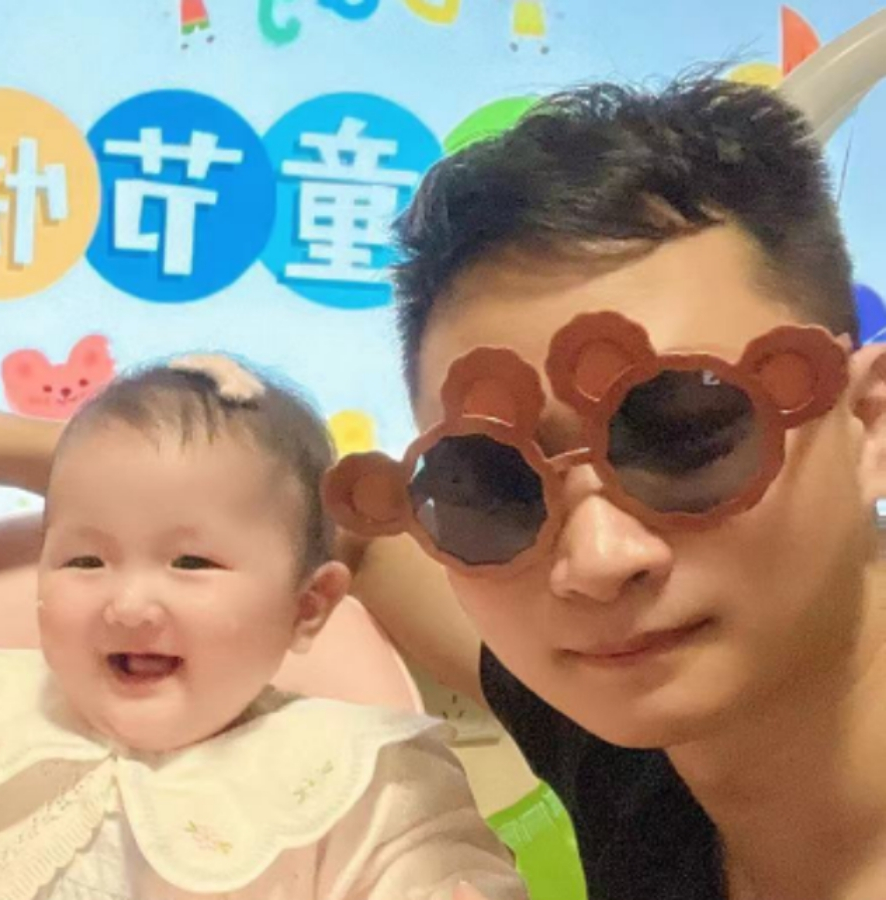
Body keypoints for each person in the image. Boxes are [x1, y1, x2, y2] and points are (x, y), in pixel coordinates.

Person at [324, 75, 886, 900]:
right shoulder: (628, 749)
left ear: (867, 424)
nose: (594, 560)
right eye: (494, 484)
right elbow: (344, 530)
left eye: (688, 436)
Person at [0, 357, 526, 900]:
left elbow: (434, 866)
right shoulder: (1, 699)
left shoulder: (366, 774)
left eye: (191, 563)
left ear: (308, 607)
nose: (128, 607)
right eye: (84, 561)